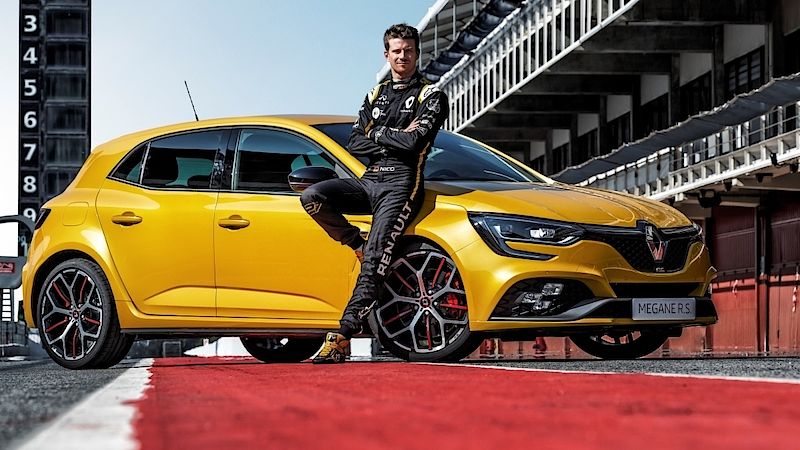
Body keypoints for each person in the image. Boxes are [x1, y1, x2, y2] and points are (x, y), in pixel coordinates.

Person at [300, 23, 449, 364]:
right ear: (387, 54)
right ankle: (358, 243)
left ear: (417, 53)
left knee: (374, 264)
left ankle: (342, 336)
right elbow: (354, 142)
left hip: (401, 185)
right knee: (313, 196)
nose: (402, 56)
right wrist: (392, 135)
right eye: (397, 51)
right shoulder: (375, 94)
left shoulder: (431, 95)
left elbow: (414, 143)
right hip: (368, 179)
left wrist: (377, 133)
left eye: (408, 50)